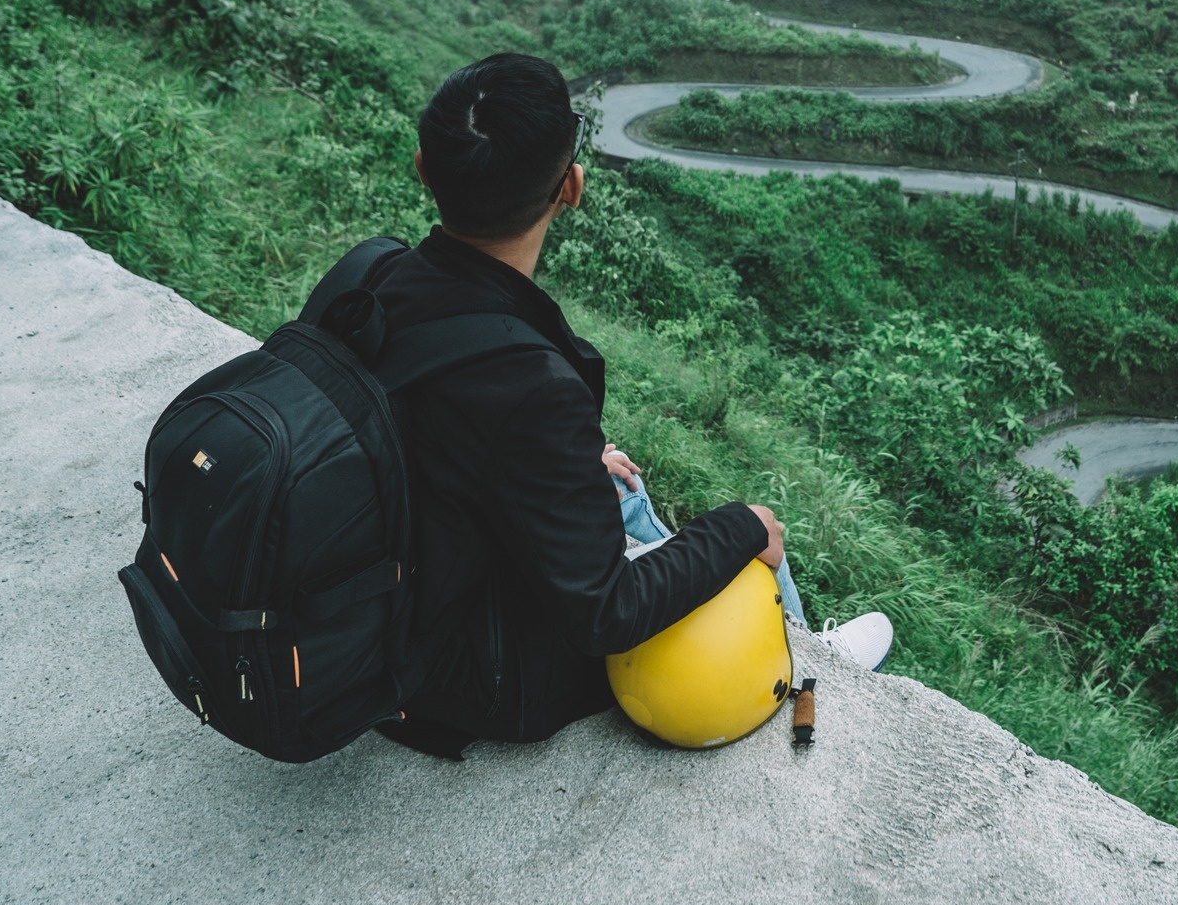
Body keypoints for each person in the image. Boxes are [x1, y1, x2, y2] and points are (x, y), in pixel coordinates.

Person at [372, 52, 890, 760]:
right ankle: (802, 659)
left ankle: (662, 539)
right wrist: (738, 527)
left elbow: (432, 424)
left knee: (616, 482)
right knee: (751, 538)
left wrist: (574, 463)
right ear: (572, 188)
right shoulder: (533, 386)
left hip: (401, 582)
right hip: (477, 667)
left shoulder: (372, 280)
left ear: (423, 166)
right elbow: (604, 613)